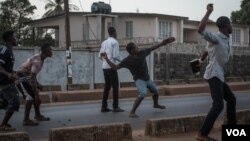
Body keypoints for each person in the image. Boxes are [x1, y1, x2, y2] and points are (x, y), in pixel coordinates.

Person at [101, 37, 175, 118]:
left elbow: (152, 48)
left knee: (155, 92)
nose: (138, 48)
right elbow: (115, 67)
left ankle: (155, 104)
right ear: (132, 51)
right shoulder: (127, 60)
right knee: (143, 93)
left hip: (147, 78)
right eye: (136, 47)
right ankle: (132, 112)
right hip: (139, 80)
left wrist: (163, 43)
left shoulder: (142, 53)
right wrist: (107, 59)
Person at [194, 3, 237, 141]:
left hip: (218, 74)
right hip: (214, 74)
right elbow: (200, 30)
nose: (232, 27)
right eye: (230, 24)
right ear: (226, 26)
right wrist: (208, 12)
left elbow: (207, 50)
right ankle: (202, 134)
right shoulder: (216, 37)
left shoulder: (224, 39)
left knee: (231, 99)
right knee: (218, 105)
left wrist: (200, 62)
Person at [16, 43, 53, 126]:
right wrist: (36, 95)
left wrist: (37, 84)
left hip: (27, 78)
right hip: (21, 79)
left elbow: (32, 75)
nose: (51, 51)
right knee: (31, 97)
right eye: (50, 50)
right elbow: (31, 77)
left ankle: (38, 115)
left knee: (35, 95)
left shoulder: (40, 58)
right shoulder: (37, 61)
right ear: (45, 51)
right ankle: (26, 120)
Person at [98, 27, 124, 112]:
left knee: (107, 87)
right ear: (114, 32)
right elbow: (116, 56)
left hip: (104, 67)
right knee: (115, 86)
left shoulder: (104, 42)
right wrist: (123, 61)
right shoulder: (115, 42)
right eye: (116, 32)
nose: (116, 34)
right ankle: (115, 106)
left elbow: (100, 56)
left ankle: (104, 106)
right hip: (111, 67)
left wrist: (105, 60)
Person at [0, 30, 19, 131]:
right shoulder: (5, 50)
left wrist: (15, 72)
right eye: (14, 36)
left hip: (6, 81)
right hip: (4, 82)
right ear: (9, 39)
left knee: (4, 103)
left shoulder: (10, 51)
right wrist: (8, 74)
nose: (16, 38)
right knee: (14, 101)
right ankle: (3, 124)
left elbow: (6, 67)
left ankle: (3, 124)